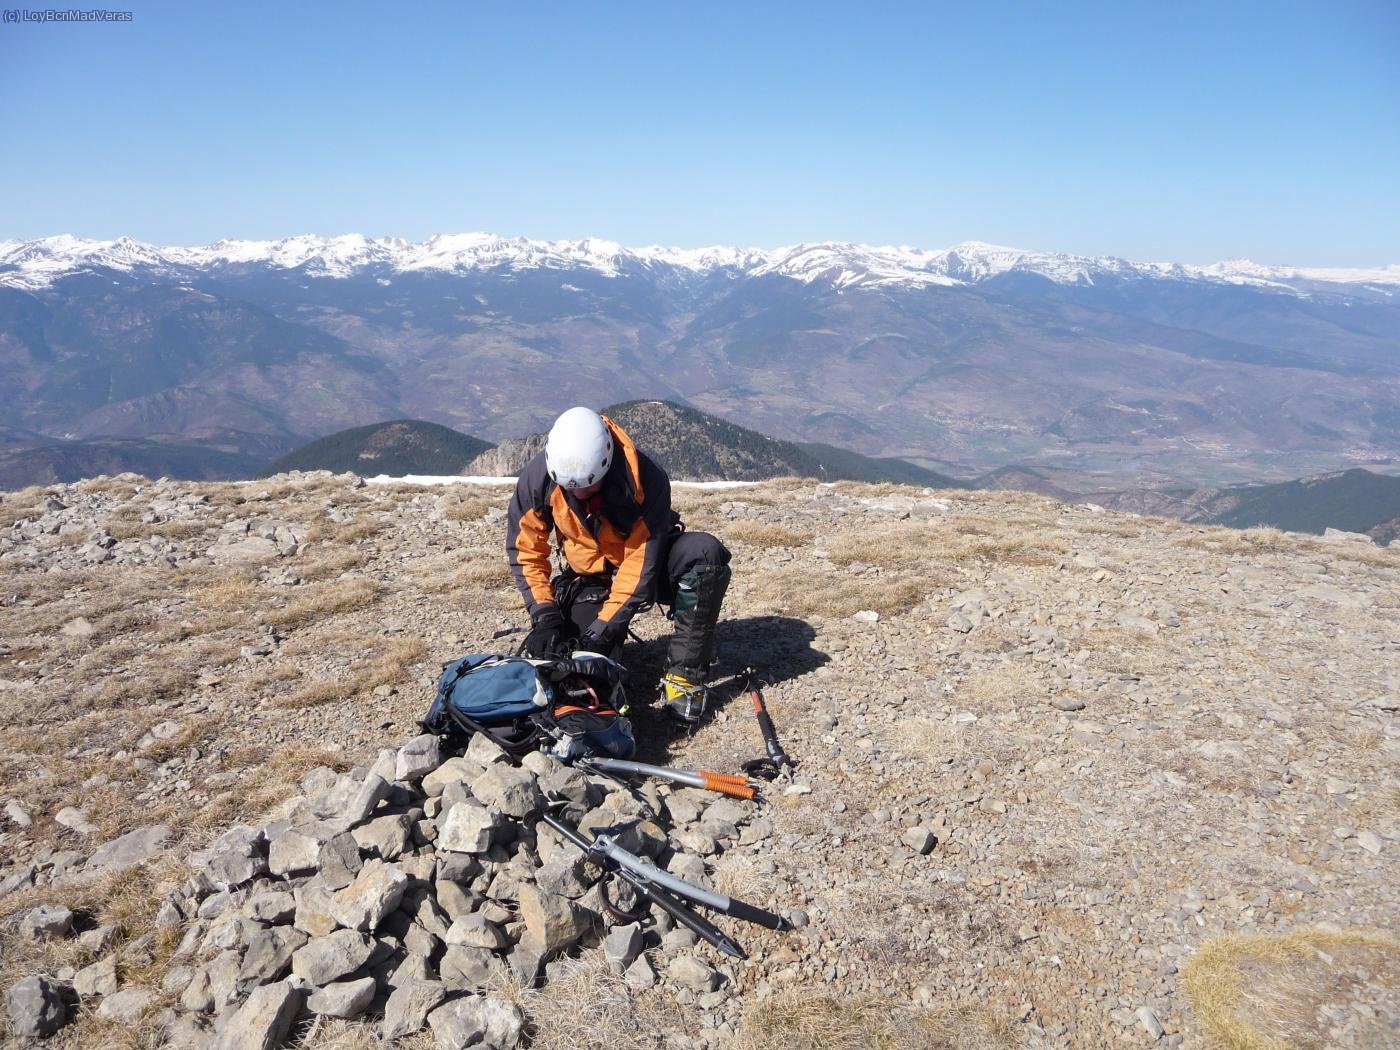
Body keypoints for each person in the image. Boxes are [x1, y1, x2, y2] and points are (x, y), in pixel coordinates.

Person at [506, 407, 731, 723]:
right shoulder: (538, 480)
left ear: (607, 462)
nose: (580, 493)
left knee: (703, 554)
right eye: (572, 489)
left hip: (649, 569)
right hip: (590, 579)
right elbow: (526, 552)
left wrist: (603, 629)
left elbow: (640, 566)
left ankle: (684, 676)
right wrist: (545, 614)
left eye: (590, 485)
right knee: (575, 667)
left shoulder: (645, 480)